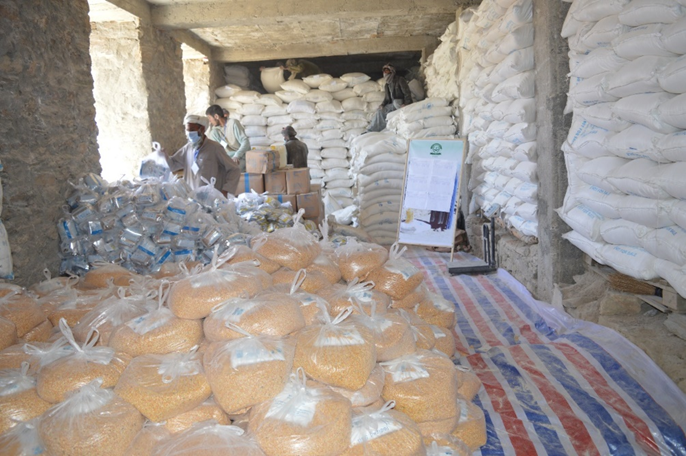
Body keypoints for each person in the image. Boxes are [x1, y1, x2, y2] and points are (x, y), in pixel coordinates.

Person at [165, 114, 241, 196]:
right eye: (187, 131)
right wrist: (163, 156)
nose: (189, 134)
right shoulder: (188, 148)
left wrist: (226, 190)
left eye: (192, 130)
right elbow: (173, 165)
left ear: (202, 129)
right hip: (191, 199)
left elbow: (234, 170)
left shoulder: (214, 148)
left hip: (210, 199)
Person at [366, 64, 413, 133]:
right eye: (384, 71)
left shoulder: (400, 80)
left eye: (387, 71)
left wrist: (406, 103)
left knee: (396, 102)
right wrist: (382, 105)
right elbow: (387, 98)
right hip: (393, 104)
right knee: (380, 111)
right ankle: (373, 129)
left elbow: (407, 93)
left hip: (400, 103)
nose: (385, 73)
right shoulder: (387, 85)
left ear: (392, 71)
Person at [205, 105, 251, 171]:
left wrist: (237, 155)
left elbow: (245, 141)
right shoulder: (215, 130)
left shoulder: (233, 123)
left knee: (229, 171)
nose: (210, 121)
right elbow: (212, 147)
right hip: (228, 158)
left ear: (216, 116)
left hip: (241, 157)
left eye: (210, 118)